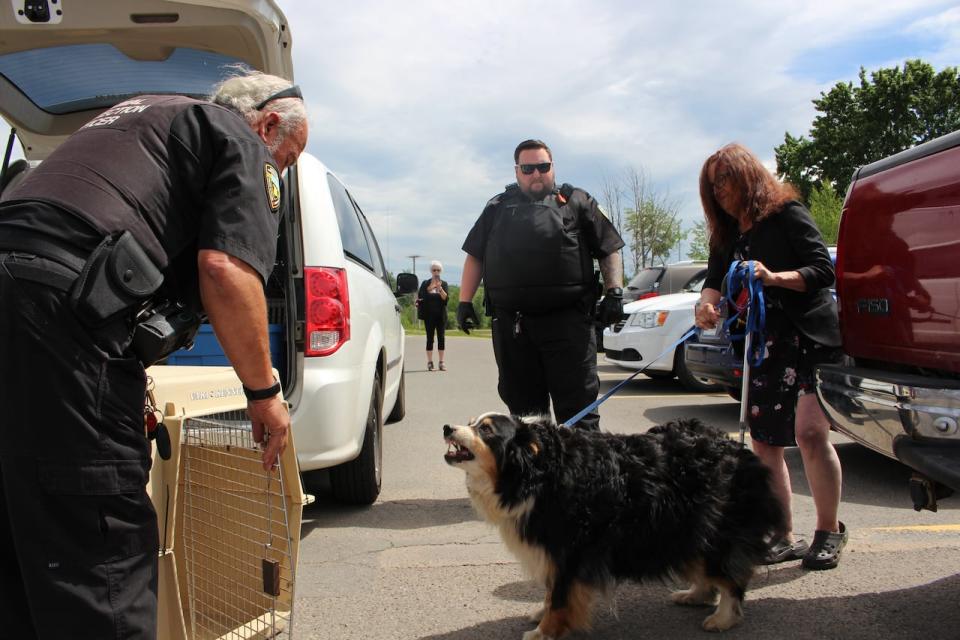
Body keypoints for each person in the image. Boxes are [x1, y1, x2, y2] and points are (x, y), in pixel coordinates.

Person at [0, 69, 308, 638]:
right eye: (287, 159)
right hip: (66, 320)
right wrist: (265, 394)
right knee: (99, 538)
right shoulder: (237, 138)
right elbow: (225, 269)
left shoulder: (138, 117)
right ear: (268, 123)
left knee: (24, 528)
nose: (281, 172)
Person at [693, 143, 847, 570]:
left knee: (812, 434)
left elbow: (823, 270)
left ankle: (829, 530)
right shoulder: (726, 233)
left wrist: (773, 277)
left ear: (747, 176)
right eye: (712, 186)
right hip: (765, 343)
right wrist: (706, 306)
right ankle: (782, 534)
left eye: (725, 180)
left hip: (808, 337)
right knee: (764, 443)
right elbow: (715, 280)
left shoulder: (786, 214)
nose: (719, 191)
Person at [457, 139, 625, 431]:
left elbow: (609, 248)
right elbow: (475, 256)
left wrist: (615, 292)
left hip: (569, 327)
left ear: (552, 168)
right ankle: (533, 478)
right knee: (524, 420)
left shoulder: (577, 202)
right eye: (528, 168)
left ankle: (584, 478)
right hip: (514, 330)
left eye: (543, 167)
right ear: (517, 171)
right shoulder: (497, 207)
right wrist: (463, 301)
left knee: (580, 418)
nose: (536, 174)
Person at [418, 260, 449, 371]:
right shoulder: (425, 284)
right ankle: (430, 362)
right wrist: (431, 287)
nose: (436, 272)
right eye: (434, 270)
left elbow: (445, 299)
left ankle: (441, 362)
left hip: (441, 316)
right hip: (429, 316)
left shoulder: (444, 284)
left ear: (441, 271)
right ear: (431, 271)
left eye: (438, 270)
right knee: (429, 339)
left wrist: (439, 288)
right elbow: (422, 296)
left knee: (441, 338)